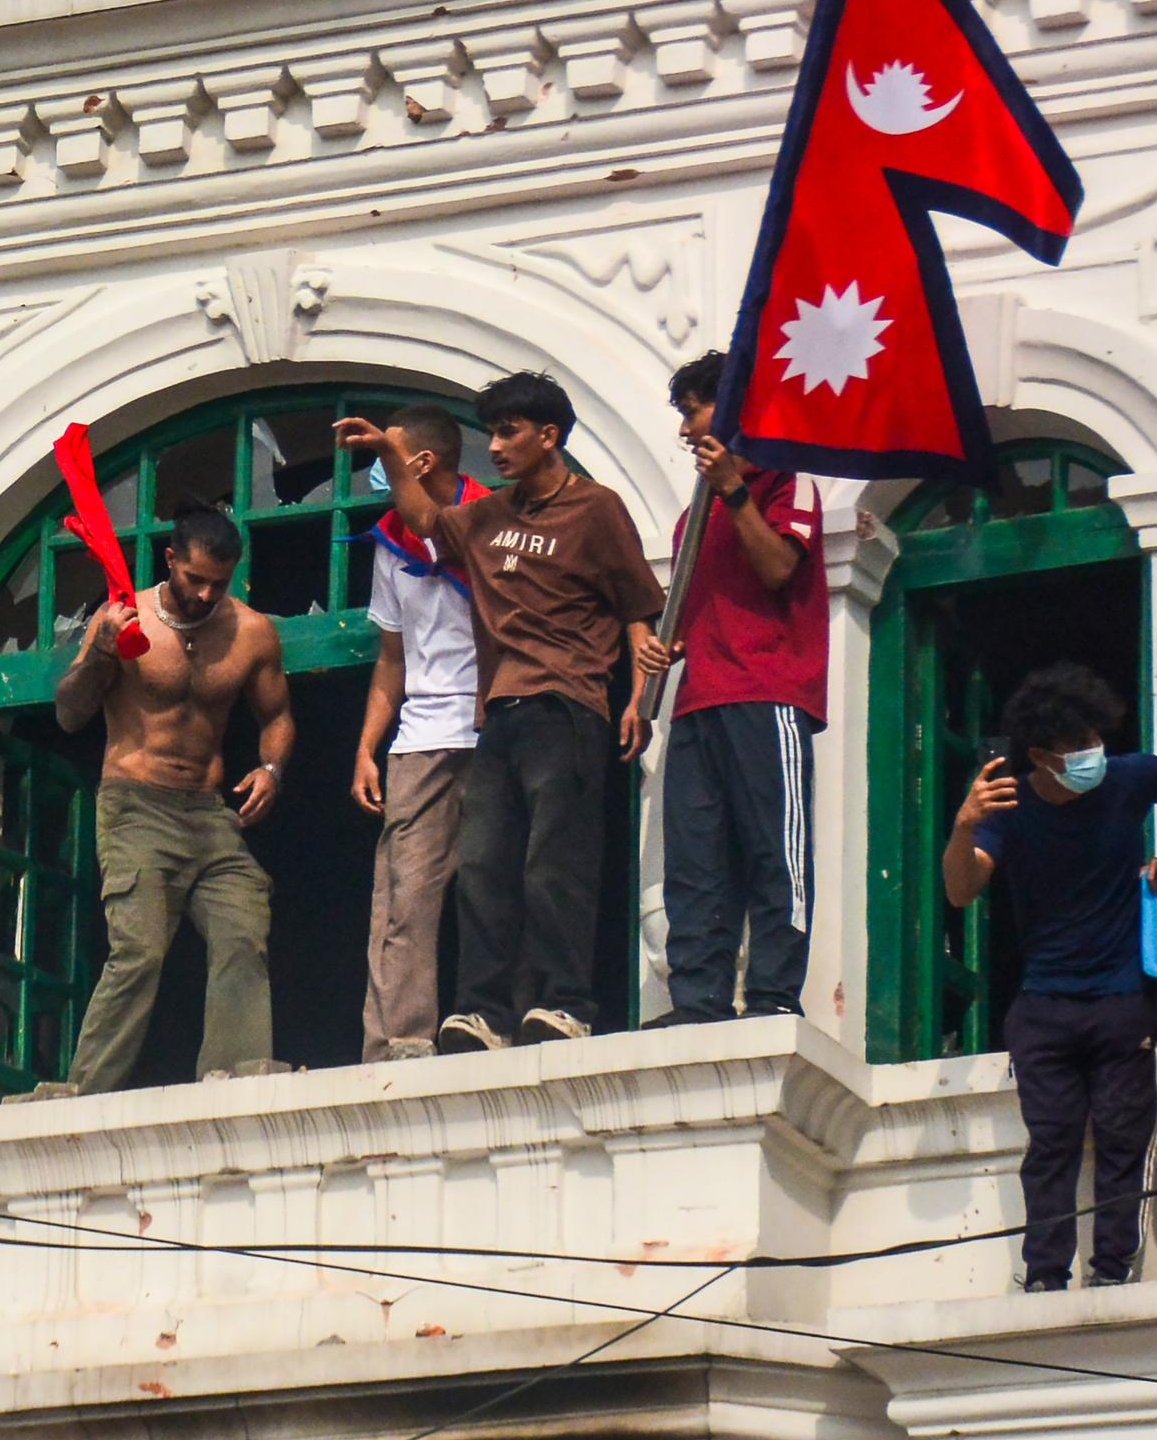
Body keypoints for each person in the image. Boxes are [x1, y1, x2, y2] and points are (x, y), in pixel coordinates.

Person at [336, 374, 663, 1051]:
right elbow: (425, 523)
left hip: (569, 702)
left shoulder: (596, 510)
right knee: (485, 867)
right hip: (500, 712)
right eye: (492, 431)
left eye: (511, 431)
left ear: (550, 436)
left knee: (555, 863)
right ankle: (481, 1011)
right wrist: (394, 456)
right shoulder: (493, 514)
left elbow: (636, 604)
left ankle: (563, 1001)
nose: (498, 445)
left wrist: (638, 698)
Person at [941, 663, 1157, 1292]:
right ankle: (1044, 1277)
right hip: (1042, 1007)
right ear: (1040, 755)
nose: (1095, 754)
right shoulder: (1009, 808)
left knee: (1126, 1142)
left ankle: (1113, 1273)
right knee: (1051, 1147)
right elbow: (961, 890)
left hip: (1123, 998)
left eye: (1097, 739)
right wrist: (962, 827)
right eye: (1079, 747)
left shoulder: (1126, 779)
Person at [35, 504, 295, 1097]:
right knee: (141, 949)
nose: (204, 595)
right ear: (170, 560)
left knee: (243, 927)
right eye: (194, 579)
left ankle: (235, 1076)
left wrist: (272, 769)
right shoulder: (125, 619)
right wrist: (101, 650)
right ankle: (89, 1088)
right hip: (136, 805)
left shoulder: (252, 631)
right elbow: (70, 714)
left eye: (218, 584)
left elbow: (277, 715)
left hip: (208, 813)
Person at [643, 351, 830, 1024]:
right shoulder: (691, 519)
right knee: (696, 859)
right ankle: (699, 998)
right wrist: (660, 643)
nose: (687, 429)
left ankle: (777, 995)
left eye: (694, 410)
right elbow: (693, 617)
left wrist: (734, 491)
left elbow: (780, 566)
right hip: (700, 701)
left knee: (775, 850)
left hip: (768, 691)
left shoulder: (786, 480)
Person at [352, 402, 486, 1061]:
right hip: (418, 739)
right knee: (405, 899)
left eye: (385, 455)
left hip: (494, 728)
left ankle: (501, 1024)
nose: (377, 469)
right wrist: (365, 750)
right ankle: (398, 1043)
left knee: (499, 887)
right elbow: (390, 658)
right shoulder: (388, 541)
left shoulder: (493, 520)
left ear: (421, 462)